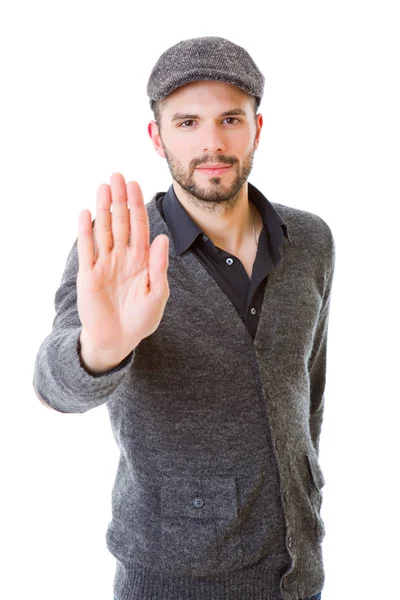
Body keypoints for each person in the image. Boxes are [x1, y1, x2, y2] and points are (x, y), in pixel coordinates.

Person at [32, 36, 335, 600]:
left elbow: (308, 390)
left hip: (298, 570)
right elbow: (54, 385)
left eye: (230, 119)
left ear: (257, 128)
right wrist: (102, 350)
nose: (212, 143)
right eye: (188, 122)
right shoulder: (118, 246)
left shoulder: (311, 240)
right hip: (171, 576)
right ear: (158, 136)